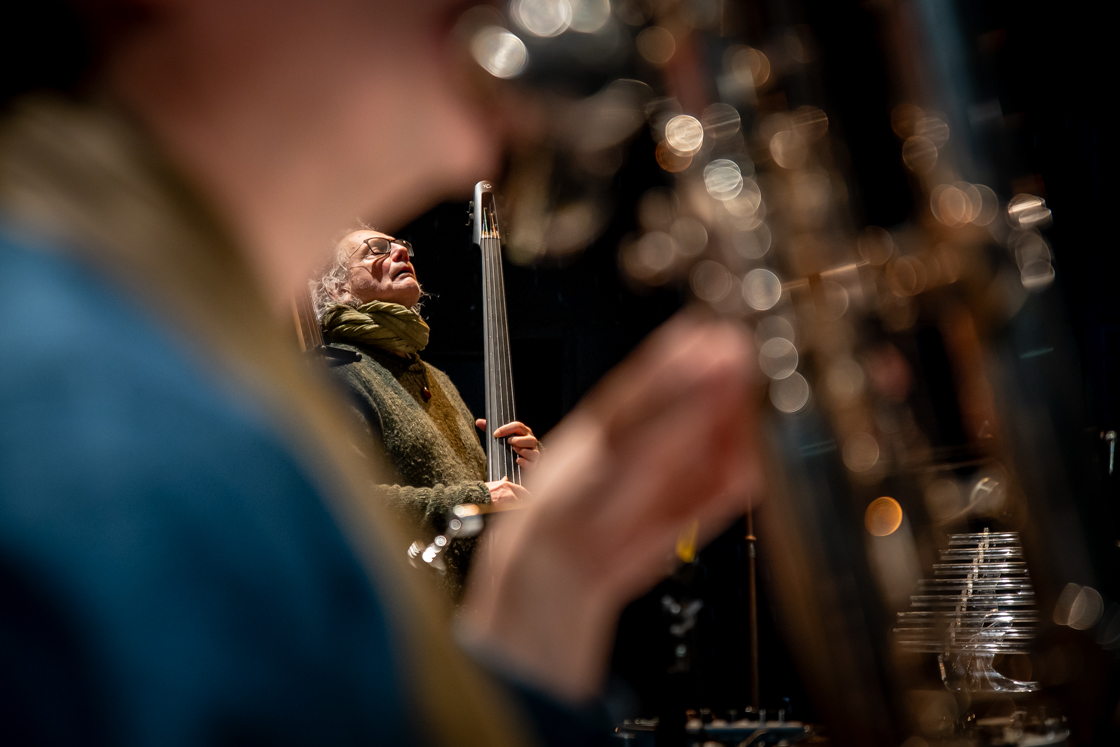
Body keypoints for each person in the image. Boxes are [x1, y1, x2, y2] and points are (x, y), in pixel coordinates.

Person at [0, 1, 758, 744]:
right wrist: (481, 505)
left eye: (399, 249)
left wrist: (547, 583)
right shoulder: (81, 420)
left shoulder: (162, 373)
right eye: (371, 252)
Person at [314, 228, 538, 590]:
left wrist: (521, 472)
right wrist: (478, 498)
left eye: (402, 246)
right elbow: (344, 503)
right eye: (376, 250)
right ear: (337, 289)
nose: (401, 251)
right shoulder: (334, 373)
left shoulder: (437, 378)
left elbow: (489, 494)